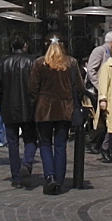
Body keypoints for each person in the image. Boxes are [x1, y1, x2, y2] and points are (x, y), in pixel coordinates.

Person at [29, 33, 81, 196]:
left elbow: (32, 88)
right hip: (65, 108)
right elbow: (79, 86)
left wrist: (34, 104)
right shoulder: (71, 63)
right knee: (60, 145)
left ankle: (49, 176)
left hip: (44, 109)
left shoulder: (39, 63)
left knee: (45, 143)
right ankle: (59, 179)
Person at [0, 35, 37, 188]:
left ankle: (16, 176)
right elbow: (37, 85)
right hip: (29, 108)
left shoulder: (2, 63)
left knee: (12, 143)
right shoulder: (32, 61)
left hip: (9, 108)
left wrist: (2, 102)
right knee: (30, 139)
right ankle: (27, 163)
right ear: (25, 45)